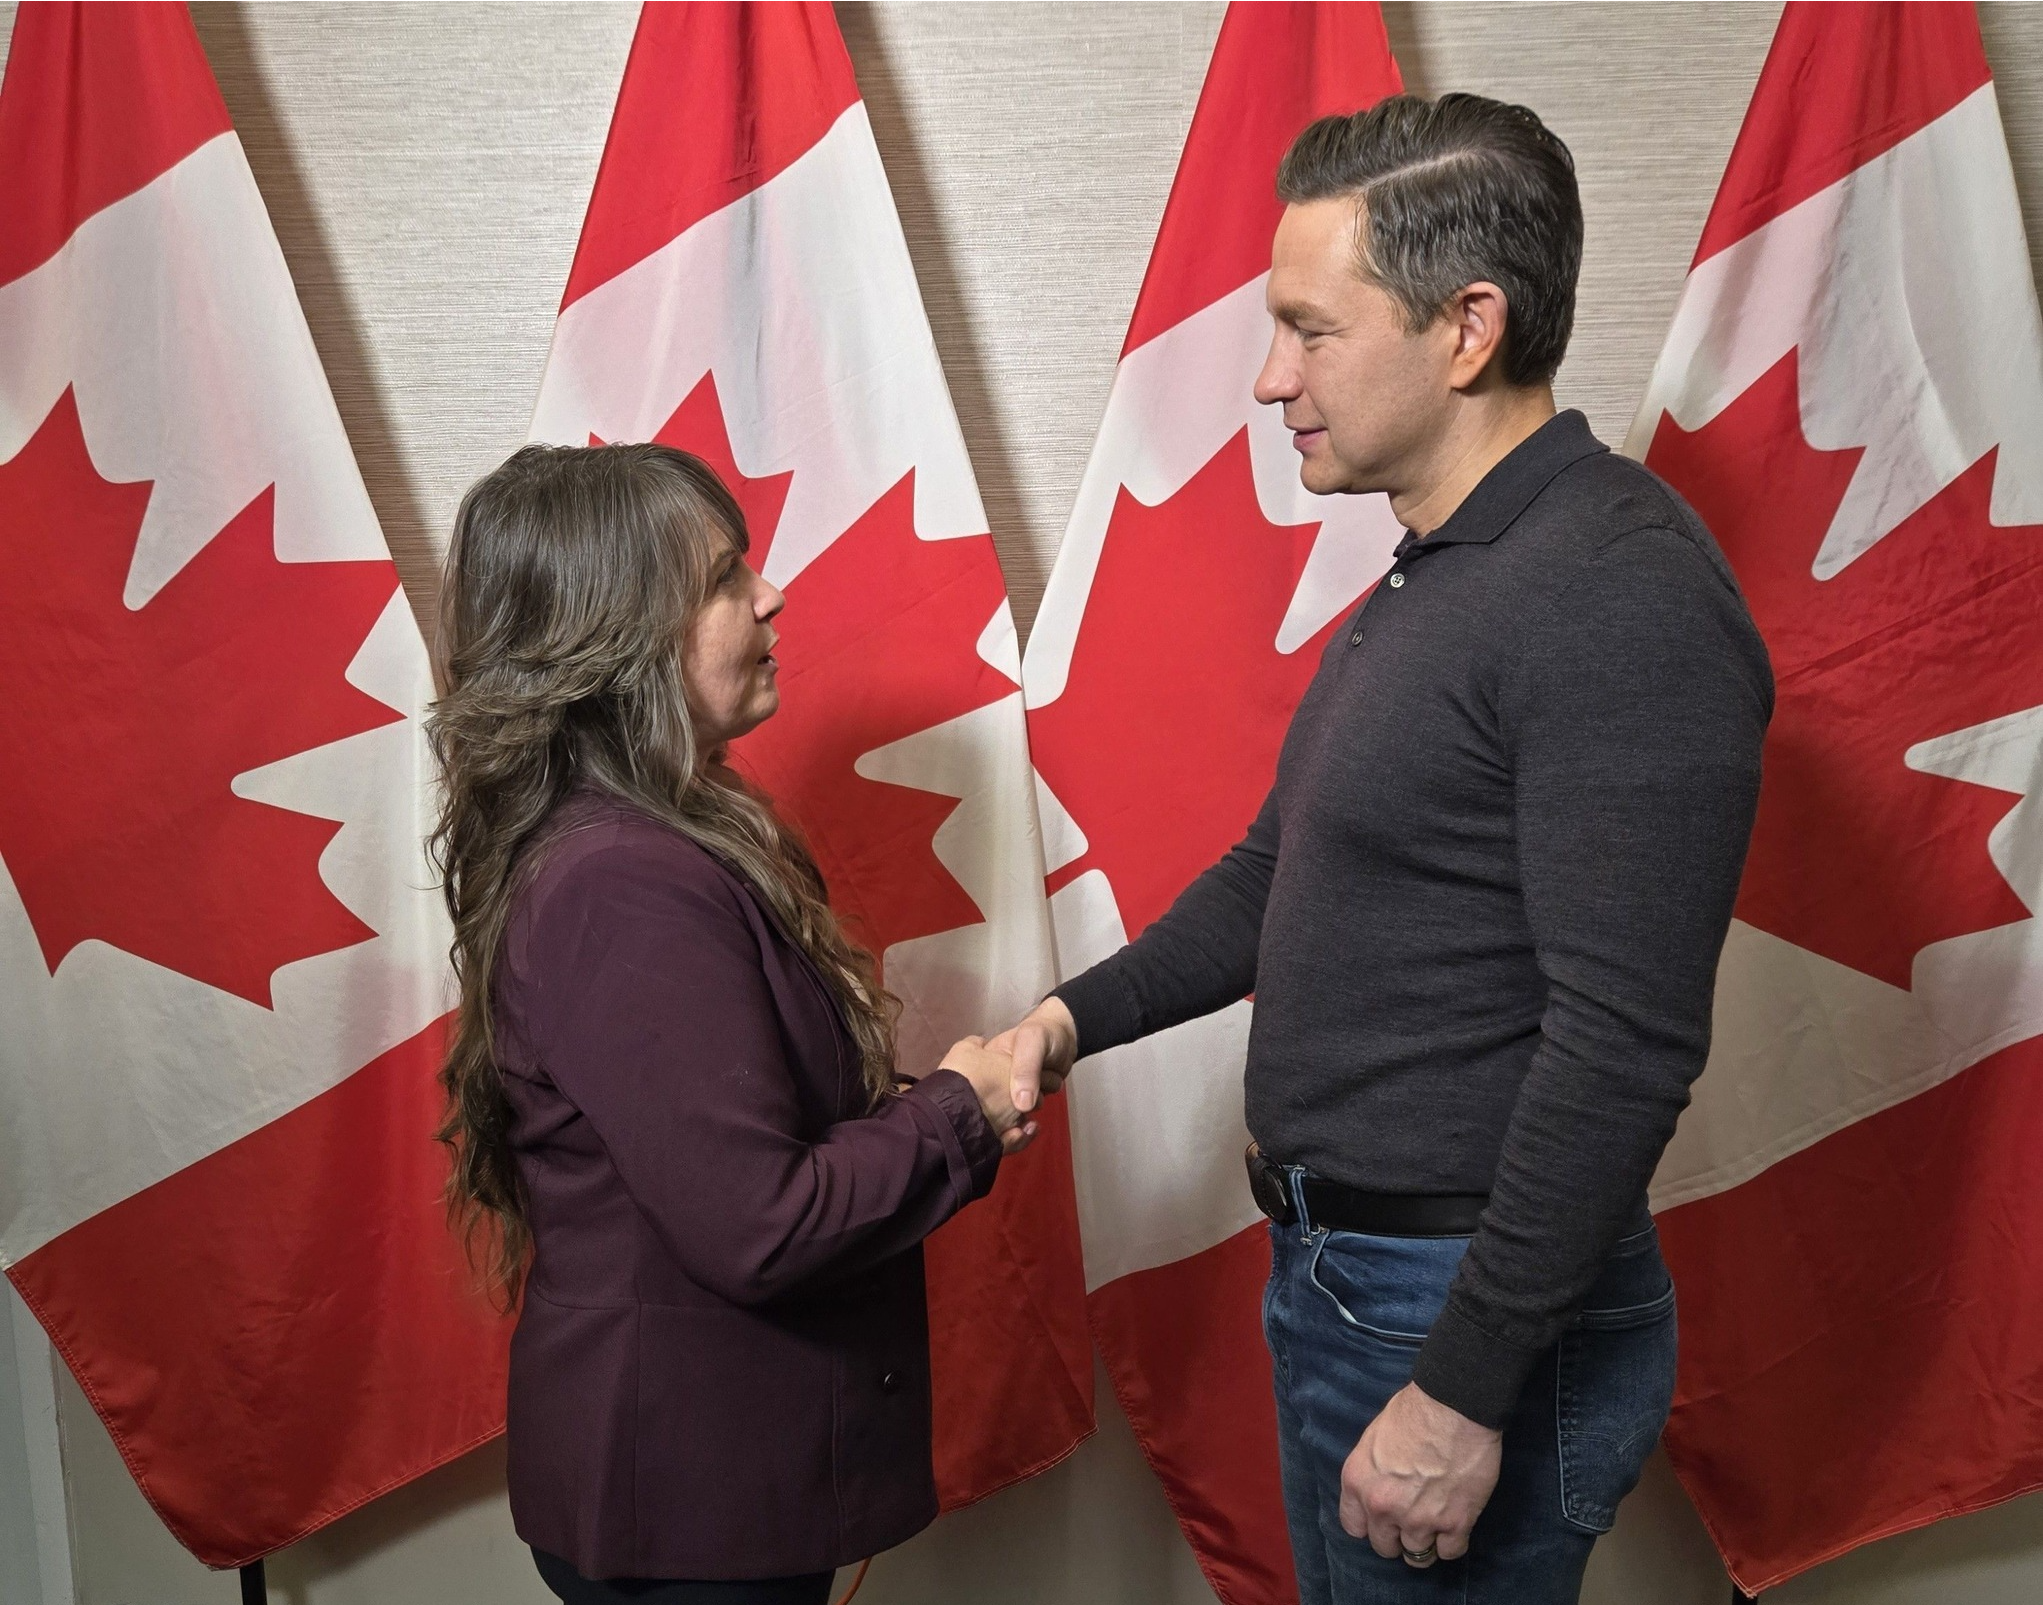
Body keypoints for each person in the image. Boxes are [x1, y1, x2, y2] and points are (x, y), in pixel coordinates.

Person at [996, 94, 1773, 1604]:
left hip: (1451, 1310)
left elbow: (1620, 1046)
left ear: (1467, 327)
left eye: (1309, 329)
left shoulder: (1615, 593)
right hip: (1354, 1281)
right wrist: (1062, 1023)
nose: (1269, 378)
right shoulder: (1448, 570)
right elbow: (1279, 871)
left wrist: (1462, 1389)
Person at [427, 443, 1035, 1605]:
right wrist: (958, 1113)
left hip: (708, 1498)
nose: (772, 595)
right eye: (722, 579)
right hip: (693, 1524)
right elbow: (760, 1223)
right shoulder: (623, 881)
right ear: (615, 638)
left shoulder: (649, 838)